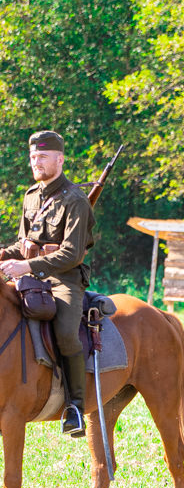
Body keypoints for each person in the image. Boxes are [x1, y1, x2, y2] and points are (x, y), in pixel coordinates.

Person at [0, 131, 95, 437]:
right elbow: (22, 243)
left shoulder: (76, 199)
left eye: (42, 157)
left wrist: (26, 264)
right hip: (31, 277)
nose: (36, 163)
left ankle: (75, 407)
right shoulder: (31, 196)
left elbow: (71, 253)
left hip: (64, 279)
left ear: (59, 159)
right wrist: (4, 254)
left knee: (67, 332)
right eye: (33, 157)